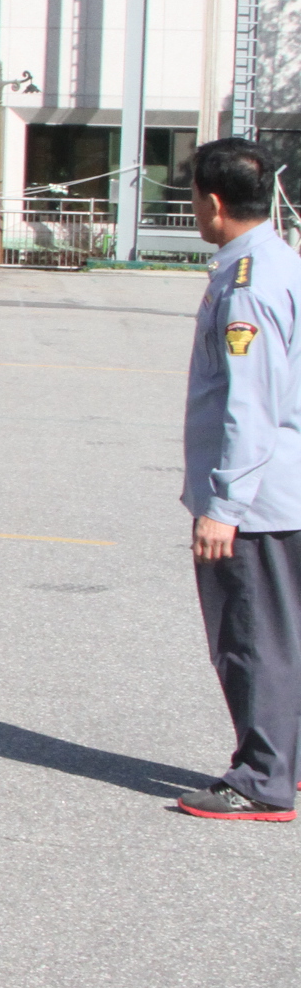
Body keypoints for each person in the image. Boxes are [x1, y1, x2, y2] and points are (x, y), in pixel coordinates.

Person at [178, 137, 301, 822]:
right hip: (285, 485)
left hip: (256, 498)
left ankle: (261, 777)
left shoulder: (247, 283)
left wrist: (222, 505)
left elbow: (250, 404)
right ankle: (286, 760)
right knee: (287, 634)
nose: (195, 209)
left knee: (250, 637)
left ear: (216, 203)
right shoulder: (282, 261)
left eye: (195, 197)